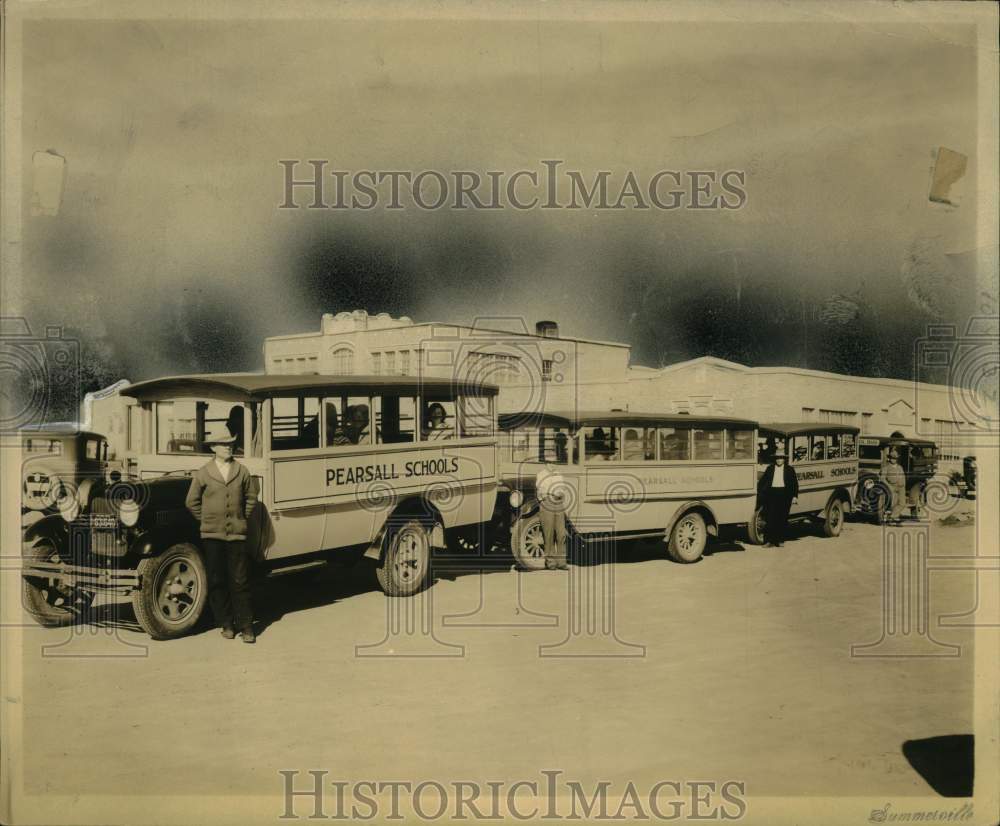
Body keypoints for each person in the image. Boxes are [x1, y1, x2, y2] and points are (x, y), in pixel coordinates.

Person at [185, 427, 259, 643]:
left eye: (230, 444)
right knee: (217, 580)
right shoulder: (203, 472)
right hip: (212, 536)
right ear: (214, 448)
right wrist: (207, 520)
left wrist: (240, 517)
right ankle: (226, 624)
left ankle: (246, 626)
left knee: (240, 580)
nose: (228, 447)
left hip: (236, 535)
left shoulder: (242, 471)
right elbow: (191, 502)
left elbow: (251, 498)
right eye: (223, 444)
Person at [756, 445, 798, 547]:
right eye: (777, 458)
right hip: (772, 495)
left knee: (782, 518)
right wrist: (761, 493)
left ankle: (780, 540)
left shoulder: (790, 470)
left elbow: (794, 484)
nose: (779, 460)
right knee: (770, 518)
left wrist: (794, 496)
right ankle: (769, 541)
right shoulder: (770, 468)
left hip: (784, 495)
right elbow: (763, 482)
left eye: (781, 458)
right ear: (775, 459)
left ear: (784, 459)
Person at [535, 462, 569, 570]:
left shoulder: (559, 474)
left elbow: (562, 488)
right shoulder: (541, 475)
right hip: (547, 502)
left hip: (558, 503)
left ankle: (562, 562)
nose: (553, 465)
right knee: (548, 534)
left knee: (561, 533)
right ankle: (550, 563)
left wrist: (560, 493)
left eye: (555, 463)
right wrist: (544, 500)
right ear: (546, 463)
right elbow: (541, 490)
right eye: (551, 463)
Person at [881, 447, 907, 523]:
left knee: (902, 503)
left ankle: (893, 516)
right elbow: (882, 478)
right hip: (892, 487)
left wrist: (903, 485)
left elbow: (903, 476)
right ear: (889, 458)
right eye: (892, 458)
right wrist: (889, 486)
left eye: (895, 458)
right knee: (893, 503)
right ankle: (892, 517)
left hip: (901, 487)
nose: (894, 460)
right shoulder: (886, 467)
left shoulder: (900, 467)